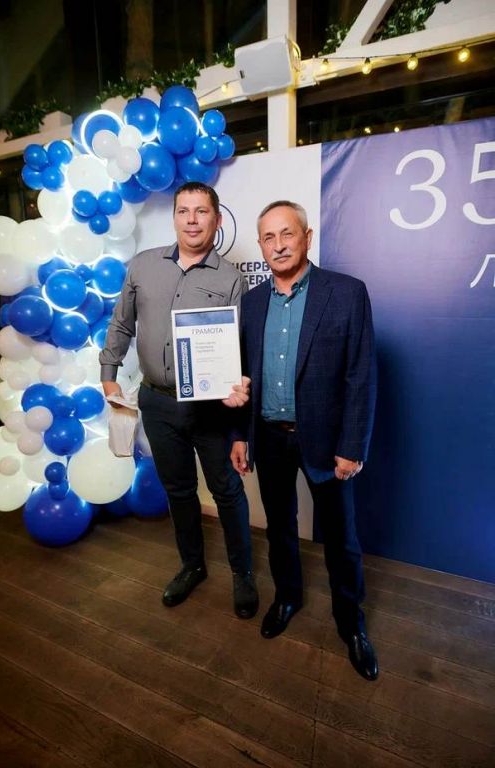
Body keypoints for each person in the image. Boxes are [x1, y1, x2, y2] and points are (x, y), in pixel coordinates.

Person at [231, 200, 378, 680]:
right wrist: (240, 435)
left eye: (287, 234)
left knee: (341, 538)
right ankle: (287, 597)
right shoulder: (252, 302)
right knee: (279, 528)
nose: (278, 245)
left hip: (328, 441)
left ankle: (350, 622)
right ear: (261, 246)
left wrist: (352, 445)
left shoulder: (347, 292)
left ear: (307, 237)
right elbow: (241, 376)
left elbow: (360, 376)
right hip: (269, 437)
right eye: (268, 238)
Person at [100, 181, 259, 620]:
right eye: (184, 211)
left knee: (227, 491)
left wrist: (239, 408)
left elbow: (240, 351)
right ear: (173, 217)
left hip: (210, 409)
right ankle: (192, 566)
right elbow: (121, 324)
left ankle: (243, 573)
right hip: (157, 403)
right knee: (179, 490)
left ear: (217, 220)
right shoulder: (143, 265)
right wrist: (108, 375)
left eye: (201, 211)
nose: (192, 220)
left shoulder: (232, 279)